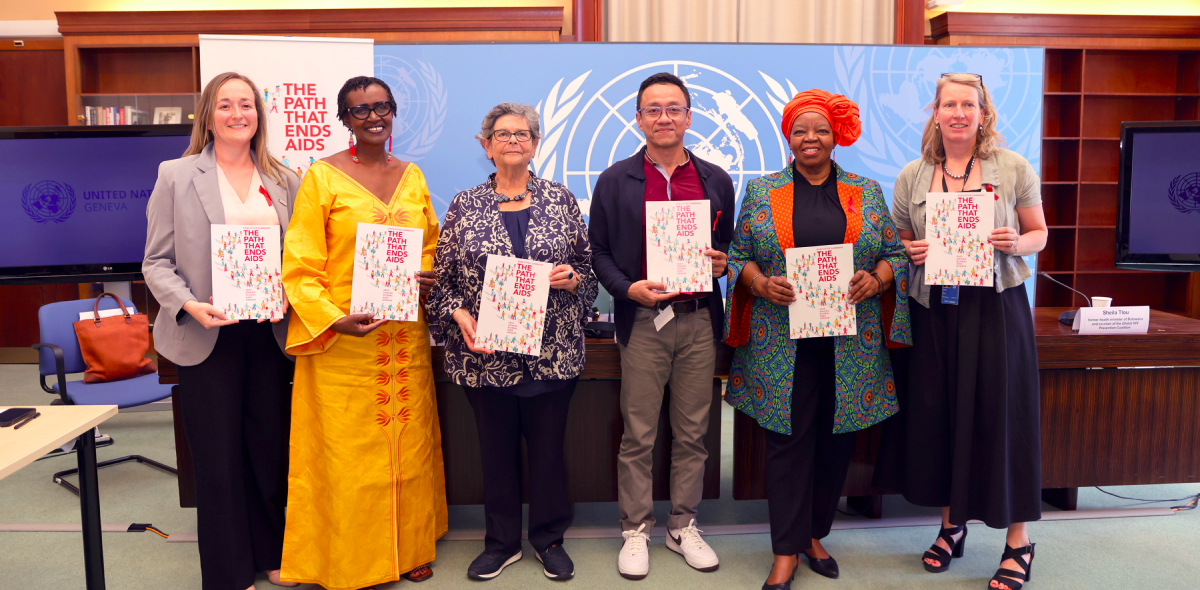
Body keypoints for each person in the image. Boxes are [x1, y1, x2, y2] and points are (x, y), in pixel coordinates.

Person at [722, 89, 910, 590]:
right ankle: (785, 552)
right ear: (788, 137)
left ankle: (812, 535)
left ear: (835, 137)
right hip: (782, 344)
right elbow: (739, 257)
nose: (811, 138)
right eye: (800, 130)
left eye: (821, 130)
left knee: (835, 443)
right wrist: (761, 284)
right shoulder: (762, 191)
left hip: (850, 343)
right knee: (786, 445)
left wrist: (878, 280)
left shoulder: (865, 191)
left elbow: (895, 253)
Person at [874, 72, 1048, 590]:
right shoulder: (913, 174)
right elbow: (899, 241)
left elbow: (1040, 234)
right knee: (942, 415)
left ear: (982, 113)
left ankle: (1019, 542)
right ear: (935, 113)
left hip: (995, 308)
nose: (958, 113)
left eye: (968, 105)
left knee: (1003, 417)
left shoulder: (1012, 167)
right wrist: (909, 250)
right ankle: (952, 526)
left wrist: (1015, 242)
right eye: (948, 104)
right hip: (934, 309)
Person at [279, 76, 446, 590]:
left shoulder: (412, 175)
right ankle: (352, 559)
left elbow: (430, 245)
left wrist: (427, 275)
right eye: (360, 110)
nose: (374, 117)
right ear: (345, 119)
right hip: (343, 346)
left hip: (403, 341)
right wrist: (333, 318)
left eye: (382, 107)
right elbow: (300, 264)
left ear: (393, 111)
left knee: (408, 448)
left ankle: (410, 548)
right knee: (348, 458)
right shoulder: (322, 177)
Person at [426, 102, 598, 581]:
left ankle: (549, 539)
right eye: (502, 134)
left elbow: (587, 270)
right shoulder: (464, 204)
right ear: (486, 147)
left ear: (535, 144)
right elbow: (442, 284)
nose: (513, 141)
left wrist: (572, 279)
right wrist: (460, 315)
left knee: (548, 454)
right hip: (486, 358)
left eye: (522, 134)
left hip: (552, 355)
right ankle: (501, 544)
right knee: (496, 456)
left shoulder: (561, 199)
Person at [143, 71, 299, 590]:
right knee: (217, 456)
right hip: (205, 332)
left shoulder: (284, 178)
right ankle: (229, 571)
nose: (238, 114)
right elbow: (155, 262)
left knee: (266, 449)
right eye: (226, 105)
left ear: (259, 114)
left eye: (247, 104)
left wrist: (290, 294)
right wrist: (190, 304)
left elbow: (298, 258)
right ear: (208, 116)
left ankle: (271, 551)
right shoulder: (176, 175)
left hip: (268, 333)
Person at [588, 72, 735, 580]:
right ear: (639, 119)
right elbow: (598, 252)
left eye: (674, 108)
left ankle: (682, 525)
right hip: (645, 321)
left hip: (699, 320)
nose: (664, 117)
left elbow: (728, 246)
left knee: (693, 433)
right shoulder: (615, 180)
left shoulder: (716, 179)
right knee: (639, 433)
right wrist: (627, 289)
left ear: (689, 117)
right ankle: (635, 529)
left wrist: (723, 264)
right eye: (653, 109)